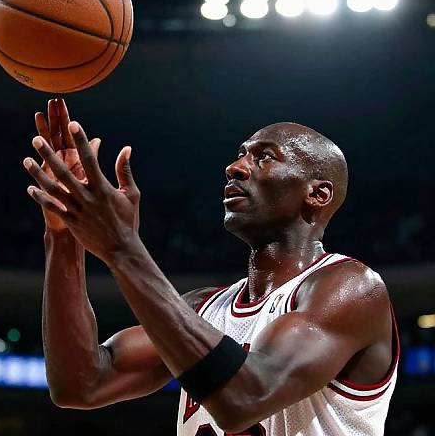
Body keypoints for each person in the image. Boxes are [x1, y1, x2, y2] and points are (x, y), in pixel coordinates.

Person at [23, 99, 398, 436]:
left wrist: (123, 247)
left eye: (264, 156)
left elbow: (245, 398)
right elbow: (80, 384)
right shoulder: (202, 308)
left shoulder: (352, 288)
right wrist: (64, 234)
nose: (234, 167)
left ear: (317, 194)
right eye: (240, 154)